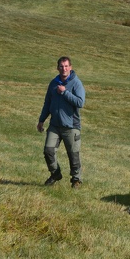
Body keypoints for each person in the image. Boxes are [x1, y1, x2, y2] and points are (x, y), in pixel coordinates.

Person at [37, 56, 85, 188]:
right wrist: (41, 120)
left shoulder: (76, 83)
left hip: (71, 127)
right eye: (61, 66)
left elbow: (80, 102)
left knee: (73, 155)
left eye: (66, 66)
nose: (64, 69)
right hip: (55, 125)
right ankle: (55, 174)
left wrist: (65, 93)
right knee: (48, 150)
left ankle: (76, 180)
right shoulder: (53, 83)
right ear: (57, 68)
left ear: (70, 67)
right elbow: (47, 103)